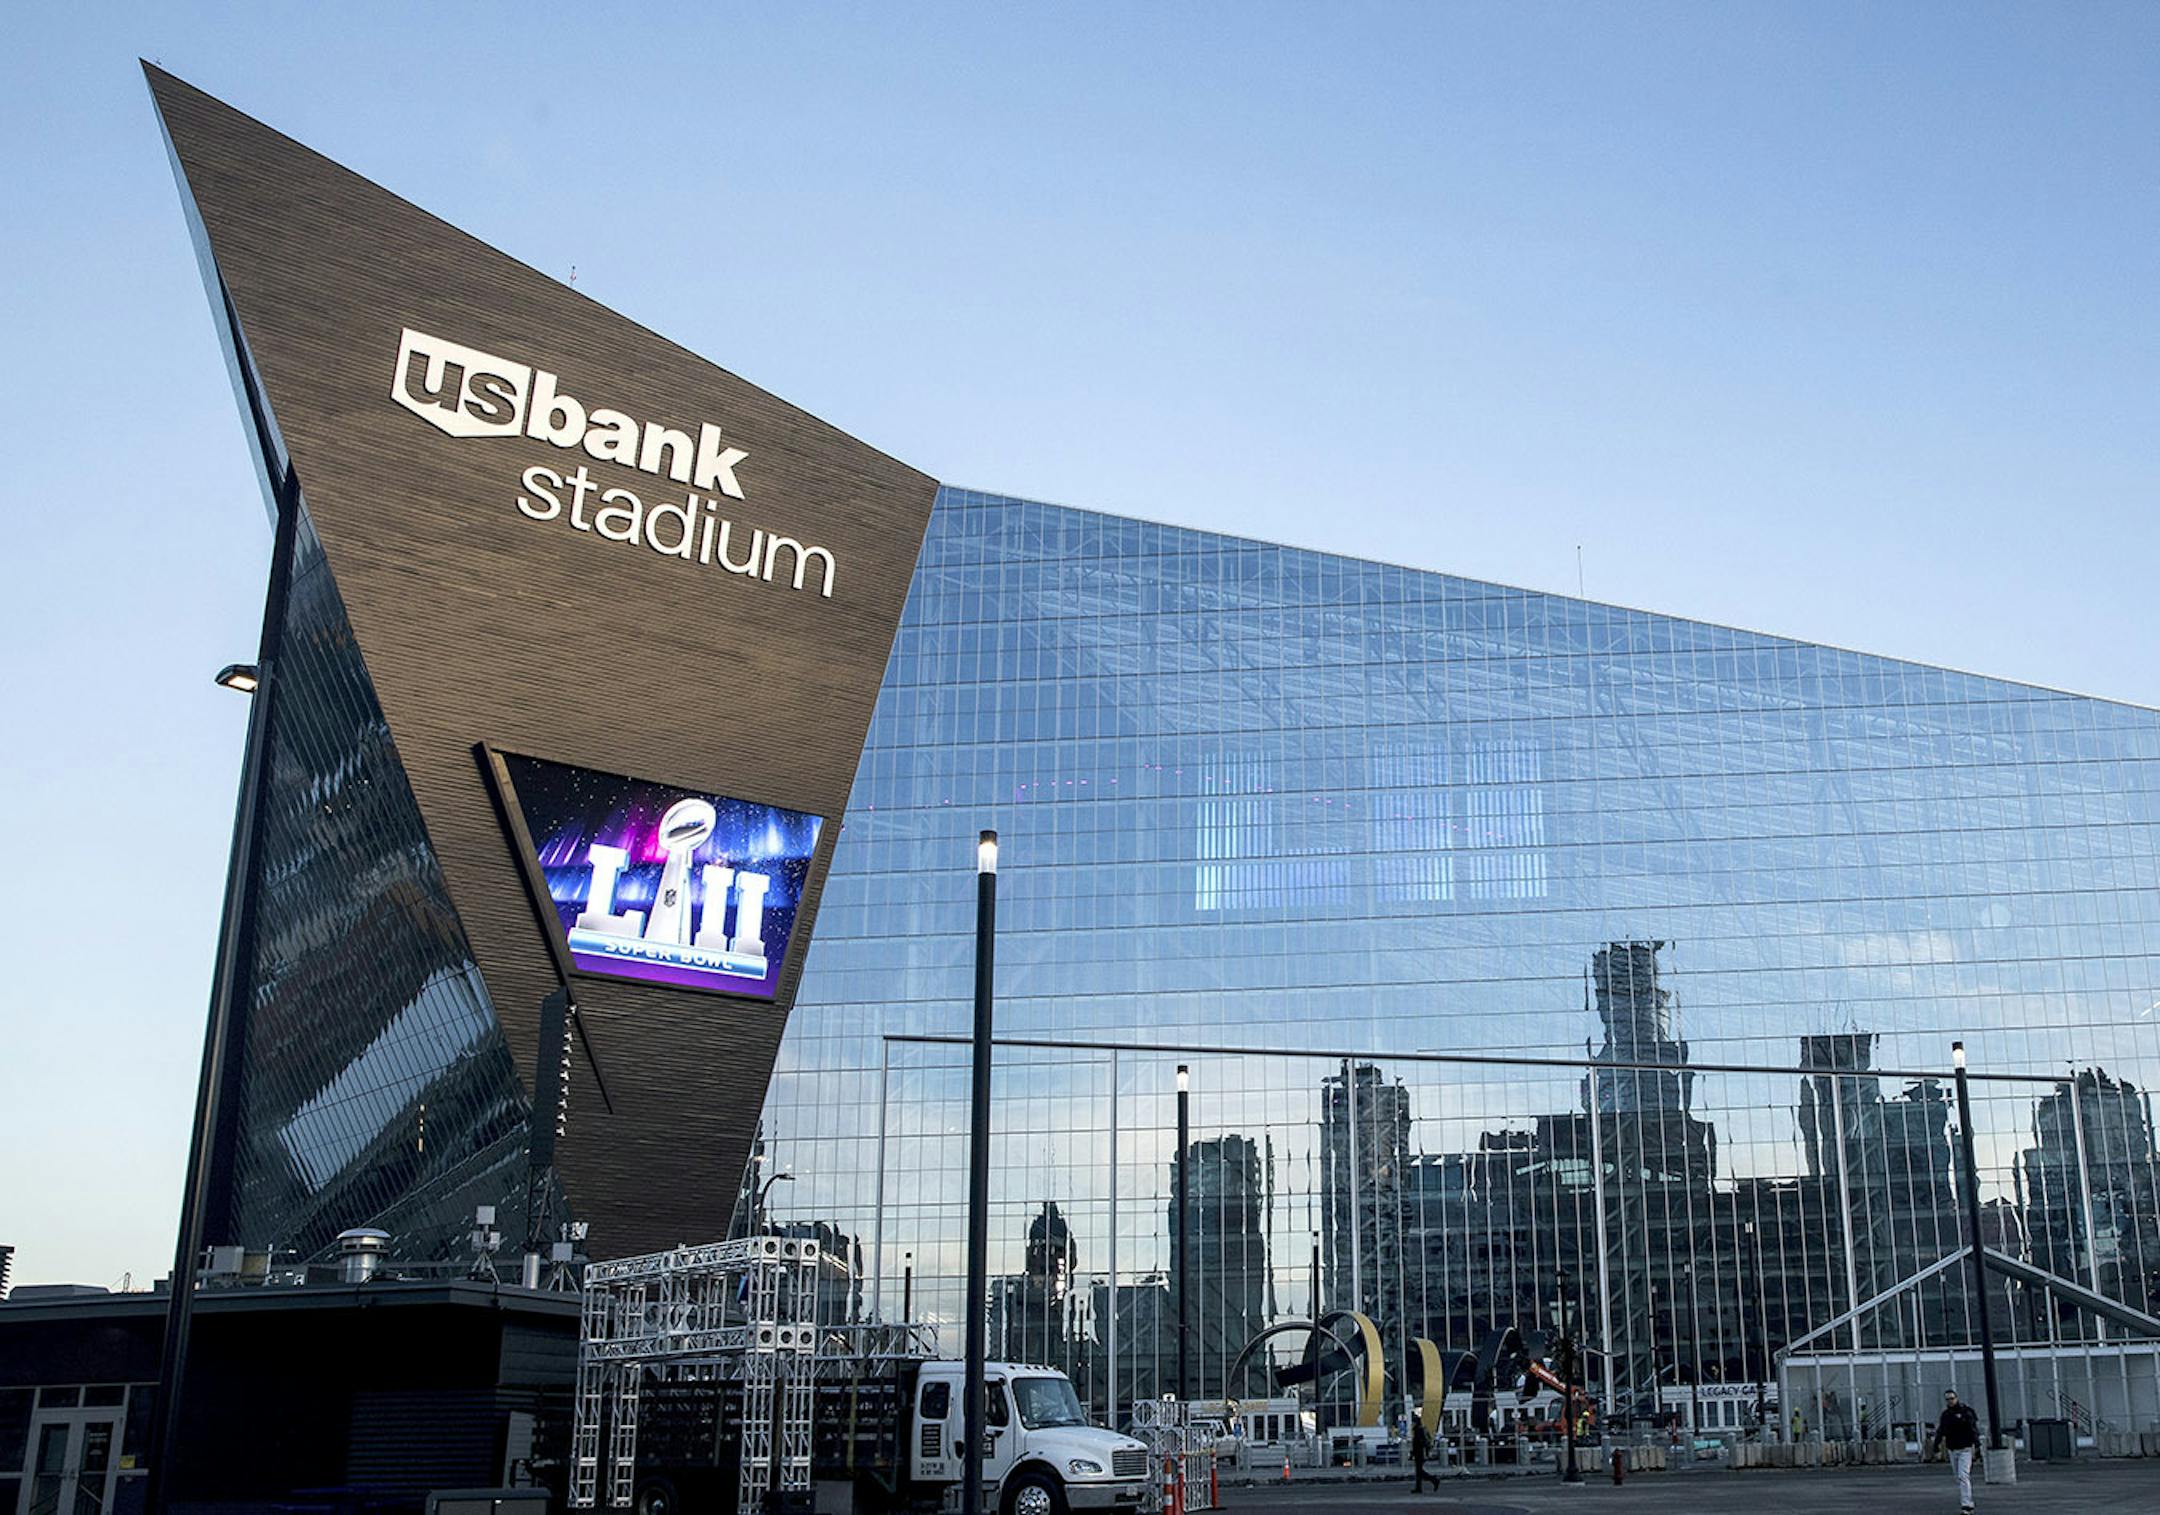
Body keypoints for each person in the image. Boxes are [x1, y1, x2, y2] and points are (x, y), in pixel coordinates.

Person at [1929, 1388, 1981, 1513]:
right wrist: (1936, 1445)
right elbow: (1941, 1431)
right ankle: (1967, 1502)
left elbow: (1973, 1429)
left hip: (1965, 1449)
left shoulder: (1966, 1412)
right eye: (1947, 1399)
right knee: (1958, 1477)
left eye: (1952, 1398)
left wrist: (1977, 1445)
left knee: (1963, 1476)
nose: (1950, 1401)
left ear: (1956, 1398)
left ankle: (1967, 1505)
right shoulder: (1946, 1415)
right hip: (1952, 1449)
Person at [1411, 1413, 1433, 1492]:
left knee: (1419, 1471)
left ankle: (1434, 1480)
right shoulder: (1418, 1429)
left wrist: (1413, 1452)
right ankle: (1418, 1488)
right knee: (1419, 1471)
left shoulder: (1418, 1430)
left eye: (1413, 1421)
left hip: (1419, 1453)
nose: (1412, 1423)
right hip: (1419, 1452)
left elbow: (1418, 1442)